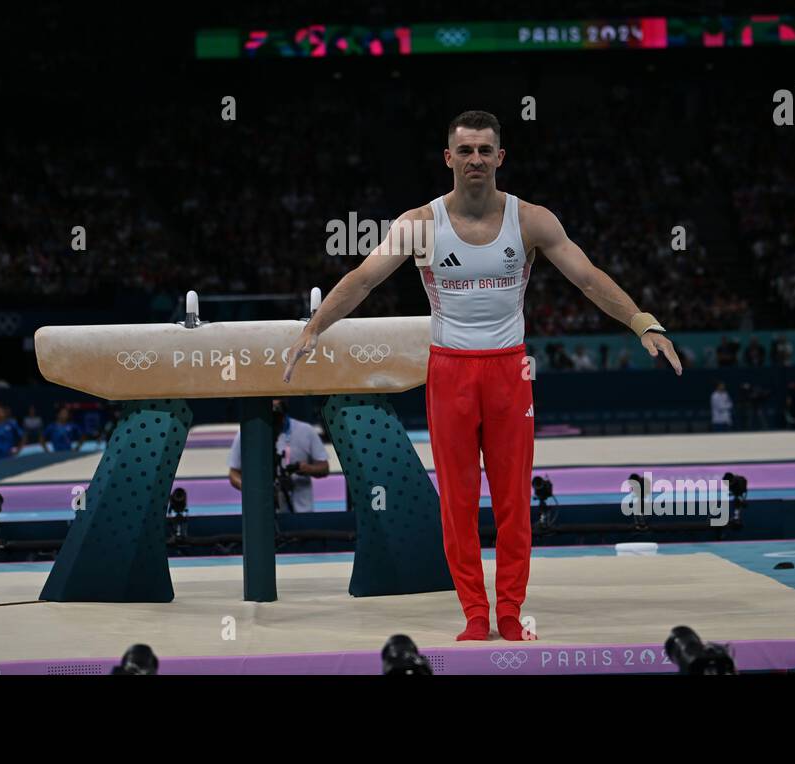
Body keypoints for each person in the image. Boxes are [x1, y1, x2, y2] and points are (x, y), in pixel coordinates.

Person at [283, 110, 680, 642]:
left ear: (500, 157)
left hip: (508, 370)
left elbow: (587, 278)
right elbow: (362, 280)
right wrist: (315, 327)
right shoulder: (420, 224)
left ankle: (510, 612)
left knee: (513, 498)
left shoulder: (533, 220)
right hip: (450, 371)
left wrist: (641, 321)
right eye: (465, 150)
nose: (475, 159)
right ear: (448, 157)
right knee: (459, 499)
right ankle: (475, 612)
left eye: (484, 150)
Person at [226, 399, 329, 512]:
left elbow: (324, 468)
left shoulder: (306, 431)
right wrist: (251, 490)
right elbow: (233, 473)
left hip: (301, 511)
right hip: (261, 513)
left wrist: (308, 469)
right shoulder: (246, 433)